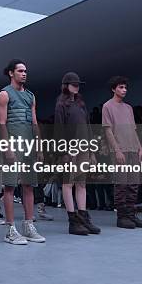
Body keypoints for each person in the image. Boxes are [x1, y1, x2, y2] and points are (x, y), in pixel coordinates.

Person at [0, 59, 45, 245]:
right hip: (12, 146)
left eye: (25, 71)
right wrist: (7, 148)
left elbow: (34, 123)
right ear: (11, 73)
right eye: (20, 71)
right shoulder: (4, 94)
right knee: (9, 186)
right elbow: (1, 124)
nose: (24, 73)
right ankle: (10, 229)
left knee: (28, 185)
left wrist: (39, 147)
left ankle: (28, 225)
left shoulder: (31, 96)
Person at [54, 72, 101, 235]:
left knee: (81, 183)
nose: (76, 86)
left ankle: (83, 218)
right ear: (66, 85)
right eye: (73, 84)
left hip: (84, 148)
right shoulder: (61, 104)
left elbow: (88, 127)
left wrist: (92, 152)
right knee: (68, 183)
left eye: (78, 84)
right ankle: (73, 222)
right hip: (69, 149)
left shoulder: (81, 104)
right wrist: (63, 153)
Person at [102, 76, 142, 229]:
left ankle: (131, 215)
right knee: (121, 184)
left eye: (125, 88)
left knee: (134, 184)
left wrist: (140, 148)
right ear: (114, 89)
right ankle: (122, 217)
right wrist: (117, 151)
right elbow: (108, 131)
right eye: (121, 87)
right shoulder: (107, 106)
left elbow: (134, 130)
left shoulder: (128, 108)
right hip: (120, 151)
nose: (124, 90)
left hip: (133, 149)